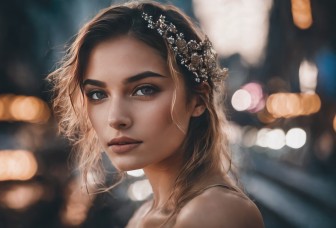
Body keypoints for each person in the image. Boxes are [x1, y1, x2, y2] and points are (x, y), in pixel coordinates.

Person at [49, 1, 264, 227]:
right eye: (97, 94)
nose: (115, 118)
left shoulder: (216, 213)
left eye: (144, 90)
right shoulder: (145, 215)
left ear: (198, 99)